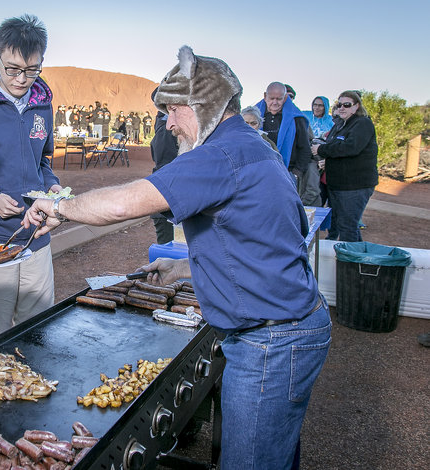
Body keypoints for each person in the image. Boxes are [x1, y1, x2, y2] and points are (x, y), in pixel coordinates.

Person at [24, 45, 330, 470]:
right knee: (274, 454)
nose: (168, 124)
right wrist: (183, 267)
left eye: (173, 110)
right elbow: (269, 243)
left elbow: (124, 204)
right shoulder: (252, 146)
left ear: (203, 105)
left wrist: (57, 207)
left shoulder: (219, 154)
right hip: (285, 331)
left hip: (272, 342)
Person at [0, 14, 62, 340]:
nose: (22, 79)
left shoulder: (43, 105)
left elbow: (42, 162)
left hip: (37, 238)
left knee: (37, 330)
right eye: (13, 69)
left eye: (32, 70)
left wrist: (53, 187)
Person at [312, 91, 378, 241]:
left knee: (348, 226)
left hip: (355, 185)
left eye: (347, 105)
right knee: (341, 223)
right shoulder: (340, 125)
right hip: (338, 184)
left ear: (356, 106)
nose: (342, 108)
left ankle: (351, 262)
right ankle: (350, 257)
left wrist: (321, 150)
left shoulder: (362, 123)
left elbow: (351, 147)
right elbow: (335, 146)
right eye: (339, 104)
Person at [256, 82, 313, 196]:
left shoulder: (296, 118)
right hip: (259, 173)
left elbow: (304, 148)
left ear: (285, 98)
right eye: (272, 98)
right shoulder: (253, 116)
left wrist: (296, 173)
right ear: (265, 96)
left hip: (287, 172)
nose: (275, 102)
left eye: (279, 99)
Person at [148, 87, 179, 244]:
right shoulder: (167, 130)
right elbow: (166, 165)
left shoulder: (163, 123)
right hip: (168, 204)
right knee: (169, 252)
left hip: (169, 202)